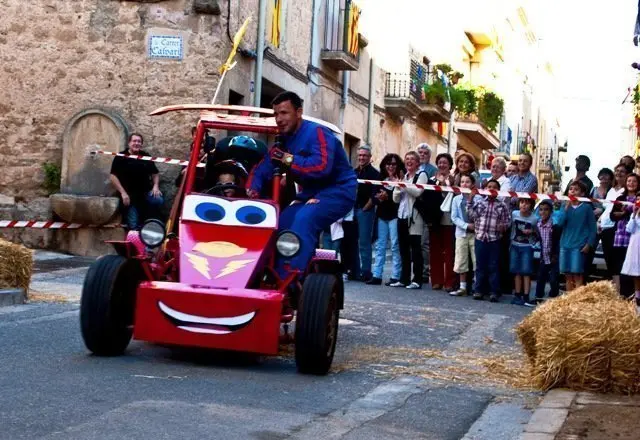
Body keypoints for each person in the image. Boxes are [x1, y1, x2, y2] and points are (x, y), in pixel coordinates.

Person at [246, 91, 356, 280]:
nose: (279, 119)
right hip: (311, 193)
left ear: (298, 112)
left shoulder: (318, 133)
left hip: (338, 191)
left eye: (284, 113)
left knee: (304, 220)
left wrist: (287, 159)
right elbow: (265, 165)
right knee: (278, 223)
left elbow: (321, 167)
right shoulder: (285, 138)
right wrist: (251, 189)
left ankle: (288, 281)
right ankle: (265, 275)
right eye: (276, 114)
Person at [467, 179, 511, 302]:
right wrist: (470, 200)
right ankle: (479, 290)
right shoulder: (481, 203)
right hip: (480, 238)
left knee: (493, 266)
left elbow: (507, 221)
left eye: (494, 187)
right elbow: (471, 214)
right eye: (489, 186)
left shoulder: (502, 205)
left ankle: (494, 292)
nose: (491, 189)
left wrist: (503, 226)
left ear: (498, 191)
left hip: (494, 239)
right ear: (485, 189)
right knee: (480, 266)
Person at [110, 133, 164, 230]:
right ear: (129, 143)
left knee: (158, 199)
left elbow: (155, 173)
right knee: (133, 226)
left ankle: (151, 219)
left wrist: (155, 186)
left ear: (141, 144)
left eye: (139, 141)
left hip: (145, 193)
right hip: (129, 196)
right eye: (134, 141)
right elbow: (113, 176)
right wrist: (123, 193)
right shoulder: (120, 156)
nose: (137, 143)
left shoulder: (145, 156)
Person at [367, 154, 405, 286]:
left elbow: (401, 198)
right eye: (388, 164)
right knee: (380, 246)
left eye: (394, 164)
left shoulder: (401, 178)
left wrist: (387, 196)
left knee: (395, 245)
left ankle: (396, 275)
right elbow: (374, 195)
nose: (391, 166)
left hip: (395, 216)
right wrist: (380, 198)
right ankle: (377, 275)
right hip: (382, 215)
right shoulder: (380, 178)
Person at [392, 151, 428, 289]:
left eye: (412, 159)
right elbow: (395, 198)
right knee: (403, 249)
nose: (409, 161)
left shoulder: (421, 175)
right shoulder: (405, 176)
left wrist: (403, 186)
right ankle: (404, 278)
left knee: (416, 249)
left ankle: (417, 280)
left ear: (418, 162)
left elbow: (418, 192)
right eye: (407, 159)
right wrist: (398, 186)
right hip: (401, 216)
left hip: (414, 218)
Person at [557, 180, 597, 292]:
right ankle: (570, 298)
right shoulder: (565, 206)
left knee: (577, 273)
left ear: (582, 193)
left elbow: (592, 228)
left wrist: (589, 244)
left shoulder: (587, 208)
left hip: (578, 245)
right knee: (567, 274)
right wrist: (565, 209)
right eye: (571, 189)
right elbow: (559, 223)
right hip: (565, 245)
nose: (572, 191)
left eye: (576, 189)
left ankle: (577, 299)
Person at [428, 153, 457, 292]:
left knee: (449, 252)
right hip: (435, 219)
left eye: (445, 162)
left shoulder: (454, 180)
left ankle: (449, 282)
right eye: (440, 162)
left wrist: (446, 184)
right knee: (435, 251)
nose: (442, 165)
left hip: (449, 219)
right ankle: (436, 281)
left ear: (450, 165)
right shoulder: (431, 180)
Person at [353, 145, 380, 282]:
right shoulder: (354, 172)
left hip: (365, 211)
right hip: (352, 210)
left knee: (364, 242)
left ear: (370, 157)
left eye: (364, 155)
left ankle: (366, 271)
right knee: (352, 242)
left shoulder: (375, 174)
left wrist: (365, 208)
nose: (362, 157)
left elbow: (375, 195)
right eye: (360, 155)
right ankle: (354, 270)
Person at [609, 173, 639, 296]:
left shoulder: (639, 197)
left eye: (634, 181)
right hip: (621, 236)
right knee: (623, 267)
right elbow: (612, 215)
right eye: (629, 181)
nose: (631, 184)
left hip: (635, 237)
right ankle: (625, 295)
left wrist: (625, 213)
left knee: (635, 267)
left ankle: (635, 295)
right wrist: (620, 214)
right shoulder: (621, 197)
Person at [600, 163, 629, 285]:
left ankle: (619, 289)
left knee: (617, 260)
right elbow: (606, 208)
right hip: (605, 226)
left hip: (616, 228)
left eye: (622, 171)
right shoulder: (611, 189)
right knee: (609, 259)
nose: (619, 173)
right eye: (617, 170)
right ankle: (614, 288)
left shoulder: (626, 191)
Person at [450, 174, 476, 297]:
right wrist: (466, 225)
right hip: (461, 233)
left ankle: (477, 286)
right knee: (461, 260)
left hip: (476, 234)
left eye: (467, 182)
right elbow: (454, 217)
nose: (464, 184)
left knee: (476, 260)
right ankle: (462, 287)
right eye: (462, 182)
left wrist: (475, 225)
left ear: (473, 184)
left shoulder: (478, 199)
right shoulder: (456, 199)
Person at [509, 199, 538, 306]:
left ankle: (526, 295)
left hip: (527, 246)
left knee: (526, 271)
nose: (524, 205)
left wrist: (532, 232)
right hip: (515, 245)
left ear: (531, 205)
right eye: (522, 202)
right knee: (516, 271)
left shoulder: (534, 218)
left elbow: (537, 232)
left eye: (527, 203)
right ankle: (517, 294)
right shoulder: (514, 214)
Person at [534, 200, 561, 301]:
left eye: (546, 210)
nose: (543, 212)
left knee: (554, 278)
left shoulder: (554, 226)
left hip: (553, 256)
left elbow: (556, 241)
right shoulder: (538, 225)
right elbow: (538, 239)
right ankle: (538, 296)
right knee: (541, 277)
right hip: (543, 255)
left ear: (551, 211)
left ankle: (553, 296)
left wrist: (555, 255)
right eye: (541, 210)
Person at [417, 143, 436, 282]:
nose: (422, 155)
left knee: (424, 243)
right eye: (420, 152)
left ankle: (425, 271)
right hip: (413, 210)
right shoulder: (413, 169)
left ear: (429, 155)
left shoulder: (433, 170)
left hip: (426, 210)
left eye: (425, 153)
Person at [621, 205, 640, 305]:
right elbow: (629, 229)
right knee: (636, 272)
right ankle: (637, 296)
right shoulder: (635, 214)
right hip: (634, 244)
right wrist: (633, 215)